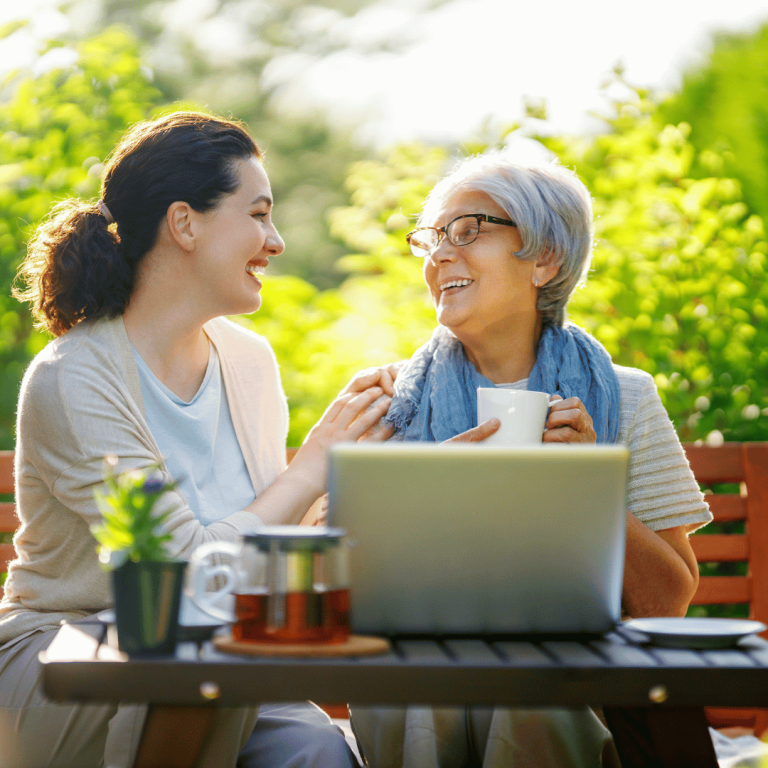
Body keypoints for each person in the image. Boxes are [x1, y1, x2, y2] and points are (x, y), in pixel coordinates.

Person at [0, 111, 395, 768]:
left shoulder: (248, 360)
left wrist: (370, 476)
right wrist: (309, 469)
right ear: (184, 224)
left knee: (318, 750)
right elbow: (182, 577)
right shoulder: (75, 377)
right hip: (68, 660)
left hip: (223, 661)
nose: (276, 241)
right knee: (207, 665)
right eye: (259, 215)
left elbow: (267, 550)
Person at [349, 151, 713, 768]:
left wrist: (588, 486)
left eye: (468, 230)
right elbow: (333, 588)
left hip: (574, 678)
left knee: (535, 688)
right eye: (432, 238)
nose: (439, 255)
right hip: (424, 667)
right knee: (428, 685)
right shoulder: (388, 404)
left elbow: (668, 603)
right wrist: (417, 497)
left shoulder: (624, 397)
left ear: (545, 259)